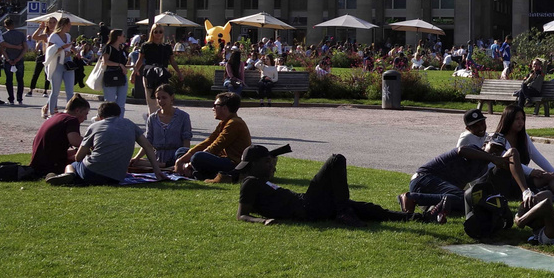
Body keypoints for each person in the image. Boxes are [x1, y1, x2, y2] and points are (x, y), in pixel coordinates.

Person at [238, 152, 408, 226]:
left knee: (371, 210)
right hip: (305, 207)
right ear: (253, 164)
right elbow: (241, 215)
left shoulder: (261, 181)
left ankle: (423, 218)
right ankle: (343, 212)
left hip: (313, 206)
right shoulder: (250, 182)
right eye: (267, 162)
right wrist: (262, 221)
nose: (271, 165)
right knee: (336, 160)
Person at [403, 134, 526, 222]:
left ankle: (433, 208)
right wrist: (492, 158)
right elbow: (461, 150)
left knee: (467, 205)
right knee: (466, 199)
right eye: (493, 147)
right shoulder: (473, 149)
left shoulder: (482, 168)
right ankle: (411, 197)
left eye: (499, 150)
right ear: (484, 145)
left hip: (434, 187)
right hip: (424, 178)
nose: (495, 153)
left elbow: (459, 186)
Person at [46, 101, 158, 186]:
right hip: (117, 177)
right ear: (119, 114)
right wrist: (157, 171)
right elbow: (147, 146)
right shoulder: (130, 124)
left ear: (100, 117)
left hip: (92, 172)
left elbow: (79, 157)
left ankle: (69, 173)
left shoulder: (95, 126)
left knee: (72, 165)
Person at [491, 105, 554, 200]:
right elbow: (511, 162)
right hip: (508, 180)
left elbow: (538, 157)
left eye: (522, 119)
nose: (520, 122)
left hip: (525, 178)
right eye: (517, 119)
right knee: (547, 184)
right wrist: (531, 172)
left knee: (551, 176)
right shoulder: (499, 139)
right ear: (508, 120)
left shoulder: (524, 137)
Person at [174, 92, 252, 181]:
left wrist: (189, 163)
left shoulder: (234, 123)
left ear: (224, 108)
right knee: (181, 151)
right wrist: (182, 159)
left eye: (215, 106)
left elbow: (215, 146)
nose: (212, 109)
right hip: (222, 158)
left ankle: (193, 171)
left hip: (232, 163)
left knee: (197, 157)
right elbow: (209, 141)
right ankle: (196, 173)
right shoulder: (224, 122)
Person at [142, 85, 194, 168]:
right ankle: (160, 165)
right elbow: (148, 142)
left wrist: (183, 159)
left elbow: (186, 141)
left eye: (164, 98)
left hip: (175, 156)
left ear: (171, 97)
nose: (161, 101)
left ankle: (164, 166)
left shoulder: (183, 117)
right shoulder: (152, 118)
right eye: (158, 98)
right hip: (157, 156)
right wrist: (136, 158)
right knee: (133, 162)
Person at [132, 25, 173, 115]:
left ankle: (163, 116)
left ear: (163, 33)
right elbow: (140, 61)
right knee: (151, 98)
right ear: (152, 33)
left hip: (163, 73)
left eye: (160, 32)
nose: (158, 34)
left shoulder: (167, 47)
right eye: (156, 32)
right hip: (150, 73)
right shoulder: (146, 46)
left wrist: (179, 72)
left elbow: (172, 61)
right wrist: (134, 73)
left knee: (163, 95)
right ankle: (152, 118)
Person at [42, 17, 75, 116]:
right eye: (69, 24)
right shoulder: (53, 36)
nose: (70, 26)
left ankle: (70, 113)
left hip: (67, 62)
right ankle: (51, 113)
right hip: (56, 63)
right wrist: (61, 48)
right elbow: (49, 52)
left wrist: (71, 52)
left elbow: (68, 49)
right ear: (64, 25)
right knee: (55, 90)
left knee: (70, 91)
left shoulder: (68, 36)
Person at [99, 30, 131, 113]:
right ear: (118, 37)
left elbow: (123, 64)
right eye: (123, 36)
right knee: (110, 102)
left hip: (121, 76)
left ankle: (119, 122)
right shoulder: (108, 47)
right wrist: (119, 65)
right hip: (110, 76)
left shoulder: (121, 49)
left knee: (121, 103)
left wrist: (132, 67)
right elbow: (105, 61)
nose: (125, 38)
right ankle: (108, 121)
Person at [0, 15, 27, 106]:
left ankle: (11, 98)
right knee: (20, 80)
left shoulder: (3, 35)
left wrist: (7, 58)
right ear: (13, 25)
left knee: (9, 80)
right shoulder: (21, 34)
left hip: (8, 59)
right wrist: (18, 58)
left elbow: (2, 49)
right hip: (18, 59)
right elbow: (25, 48)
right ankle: (20, 99)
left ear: (5, 26)